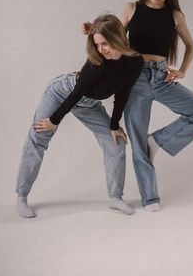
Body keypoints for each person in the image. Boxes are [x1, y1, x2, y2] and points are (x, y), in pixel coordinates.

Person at [16, 14, 143, 218]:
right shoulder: (96, 62)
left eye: (105, 43)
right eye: (97, 44)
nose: (101, 49)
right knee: (39, 136)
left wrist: (114, 125)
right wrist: (54, 121)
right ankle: (21, 196)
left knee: (116, 143)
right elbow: (76, 93)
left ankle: (115, 197)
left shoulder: (135, 62)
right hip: (63, 92)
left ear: (118, 38)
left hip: (89, 104)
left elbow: (122, 94)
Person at [120, 0, 193, 212]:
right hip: (135, 79)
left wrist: (183, 70)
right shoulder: (131, 9)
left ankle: (158, 141)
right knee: (137, 142)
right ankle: (150, 197)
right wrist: (92, 32)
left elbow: (191, 46)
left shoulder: (175, 16)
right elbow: (114, 43)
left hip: (162, 77)